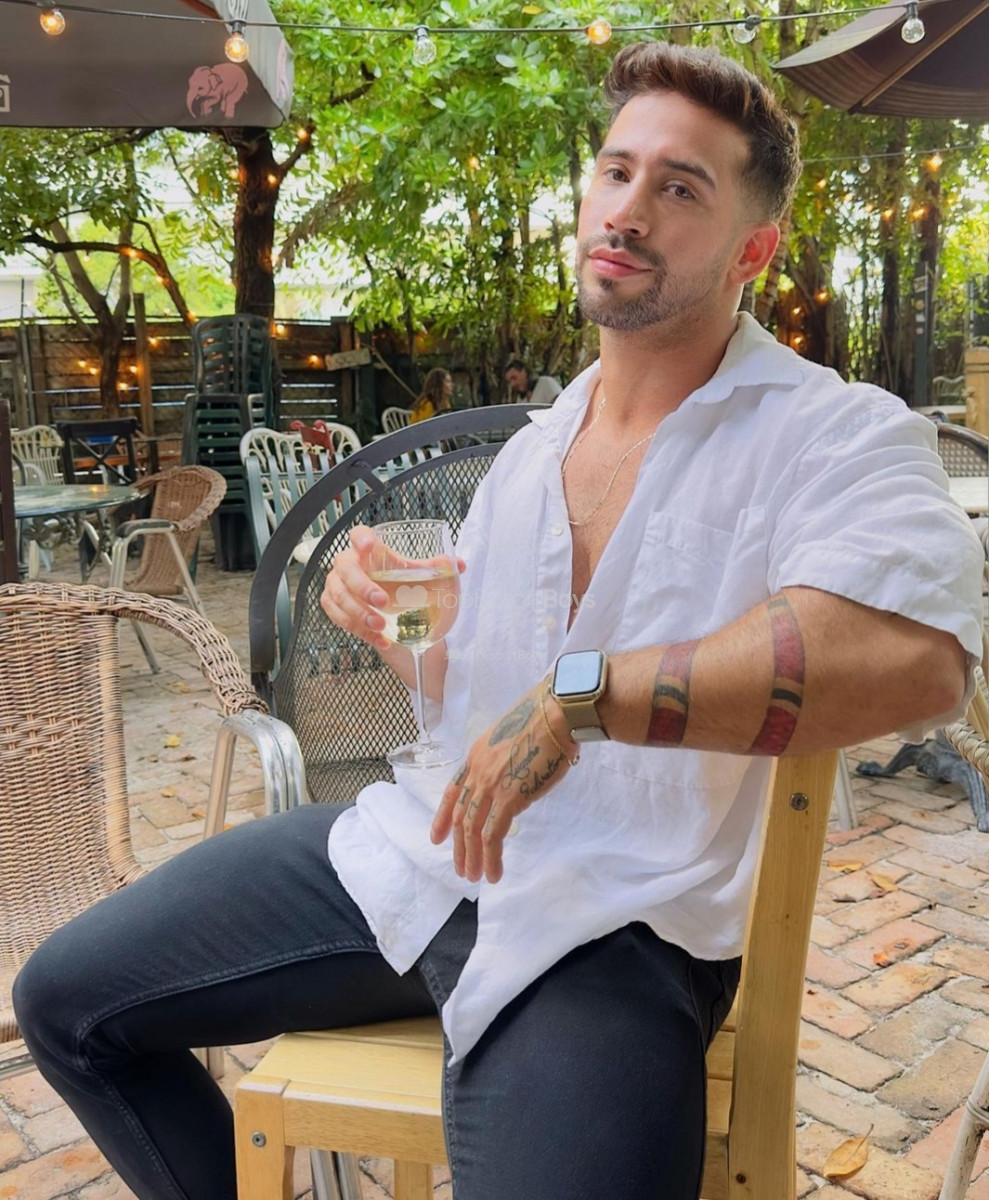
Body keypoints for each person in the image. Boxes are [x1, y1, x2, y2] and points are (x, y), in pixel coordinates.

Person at [13, 42, 984, 1200]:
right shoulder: (531, 451)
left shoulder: (833, 433)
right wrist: (403, 629)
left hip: (618, 922)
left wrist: (587, 698)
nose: (627, 208)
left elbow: (912, 660)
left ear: (751, 251)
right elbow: (474, 696)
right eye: (615, 172)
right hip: (414, 852)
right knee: (65, 1001)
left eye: (679, 187)